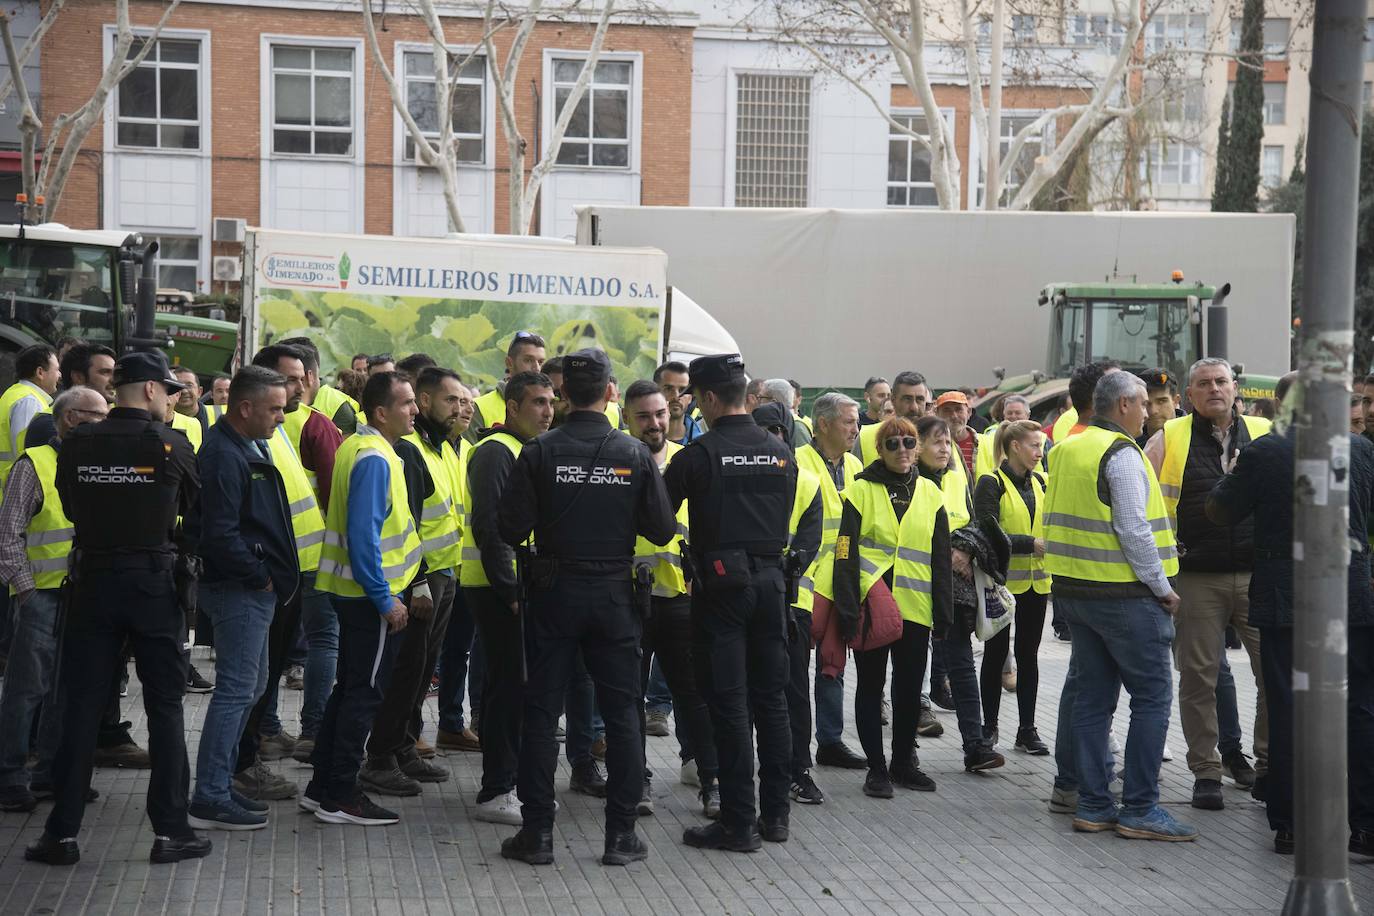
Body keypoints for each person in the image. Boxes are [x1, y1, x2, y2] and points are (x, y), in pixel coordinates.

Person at [25, 352, 207, 866]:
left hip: (93, 583)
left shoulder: (77, 442)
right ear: (149, 390)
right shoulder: (172, 444)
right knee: (165, 707)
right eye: (168, 391)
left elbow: (71, 503)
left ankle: (61, 835)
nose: (171, 400)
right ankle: (171, 831)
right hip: (153, 585)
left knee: (81, 707)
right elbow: (194, 512)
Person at [497, 350, 677, 867]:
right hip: (615, 597)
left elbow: (509, 527)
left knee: (540, 714)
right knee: (622, 716)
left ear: (563, 395)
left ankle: (537, 834)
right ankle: (620, 835)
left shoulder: (539, 450)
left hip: (553, 594)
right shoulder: (634, 453)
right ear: (610, 393)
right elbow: (662, 529)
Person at [1207, 371, 1374, 855]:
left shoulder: (1266, 451)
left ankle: (1292, 825)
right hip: (1349, 597)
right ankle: (1365, 826)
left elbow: (1219, 512)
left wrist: (1232, 472)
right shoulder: (1360, 450)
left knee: (1289, 707)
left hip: (1288, 600)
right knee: (1359, 707)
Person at [1044, 370, 1195, 842]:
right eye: (1144, 403)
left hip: (1076, 594)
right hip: (1126, 597)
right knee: (1151, 698)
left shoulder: (1068, 448)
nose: (1149, 412)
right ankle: (1140, 808)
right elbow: (1133, 530)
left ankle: (1093, 804)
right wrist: (1162, 587)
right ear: (1124, 404)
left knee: (1091, 700)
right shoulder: (1122, 453)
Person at [661, 354, 795, 852]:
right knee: (772, 701)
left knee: (730, 704)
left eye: (698, 398)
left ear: (712, 399)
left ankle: (738, 822)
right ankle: (776, 816)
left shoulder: (697, 456)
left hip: (720, 590)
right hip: (773, 585)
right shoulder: (781, 453)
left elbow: (658, 519)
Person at [1144, 357, 1269, 810]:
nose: (1214, 389)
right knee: (1199, 677)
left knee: (1272, 672)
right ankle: (1206, 771)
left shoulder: (1264, 432)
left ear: (1235, 388)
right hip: (1196, 576)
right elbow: (1147, 506)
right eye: (1204, 383)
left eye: (1221, 381)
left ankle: (1269, 765)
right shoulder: (1169, 437)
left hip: (1258, 575)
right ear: (1189, 395)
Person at [186, 366, 298, 831]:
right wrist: (260, 577)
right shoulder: (223, 454)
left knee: (251, 686)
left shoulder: (242, 445)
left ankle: (221, 782)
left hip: (249, 589)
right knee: (236, 690)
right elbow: (220, 534)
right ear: (245, 408)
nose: (282, 417)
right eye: (275, 409)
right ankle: (210, 795)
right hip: (238, 590)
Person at [308, 371, 422, 826]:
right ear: (381, 412)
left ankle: (322, 788)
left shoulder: (359, 445)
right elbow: (363, 537)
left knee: (350, 689)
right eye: (407, 403)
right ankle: (342, 795)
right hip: (370, 598)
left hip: (355, 594)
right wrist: (385, 599)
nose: (415, 410)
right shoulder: (374, 457)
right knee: (364, 696)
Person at [232, 345, 339, 798]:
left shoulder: (277, 430)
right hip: (275, 572)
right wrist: (262, 574)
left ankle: (259, 742)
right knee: (253, 677)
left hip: (296, 567)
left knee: (269, 668)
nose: (299, 389)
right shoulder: (252, 437)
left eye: (301, 379)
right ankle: (243, 762)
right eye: (289, 381)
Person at [0, 387, 108, 813]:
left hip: (85, 595)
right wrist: (26, 590)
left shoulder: (99, 462)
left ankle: (51, 773)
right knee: (27, 690)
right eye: (98, 415)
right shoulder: (34, 464)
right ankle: (8, 776)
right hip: (42, 596)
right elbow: (8, 535)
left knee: (68, 689)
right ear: (70, 418)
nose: (105, 423)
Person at [361, 367, 468, 796]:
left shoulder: (443, 447)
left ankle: (403, 746)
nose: (459, 408)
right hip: (421, 581)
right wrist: (420, 582)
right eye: (449, 400)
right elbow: (410, 523)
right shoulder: (410, 450)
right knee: (405, 672)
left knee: (422, 671)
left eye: (461, 400)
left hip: (446, 571)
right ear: (424, 402)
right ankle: (381, 757)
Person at [834, 415, 950, 797]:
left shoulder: (932, 493)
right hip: (871, 607)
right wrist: (847, 608)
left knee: (909, 690)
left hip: (916, 607)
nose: (902, 449)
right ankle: (877, 769)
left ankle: (903, 764)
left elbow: (941, 557)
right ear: (879, 450)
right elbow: (845, 553)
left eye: (909, 442)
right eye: (892, 443)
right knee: (871, 687)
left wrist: (944, 613)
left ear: (918, 448)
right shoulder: (860, 490)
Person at [623, 379, 720, 816]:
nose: (654, 423)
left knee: (694, 693)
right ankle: (635, 780)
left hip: (682, 595)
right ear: (627, 418)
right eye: (643, 416)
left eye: (660, 414)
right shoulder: (617, 460)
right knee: (629, 696)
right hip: (628, 596)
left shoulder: (689, 460)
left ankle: (708, 777)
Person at [460, 370, 553, 825]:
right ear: (512, 407)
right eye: (537, 402)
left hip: (517, 587)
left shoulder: (523, 448)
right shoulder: (497, 451)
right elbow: (490, 526)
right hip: (498, 588)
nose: (548, 411)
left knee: (516, 687)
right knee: (507, 689)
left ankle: (512, 782)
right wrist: (510, 590)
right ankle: (496, 789)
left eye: (551, 402)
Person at [751, 402, 824, 806]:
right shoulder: (741, 475)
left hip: (793, 602)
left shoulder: (808, 482)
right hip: (747, 597)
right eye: (765, 430)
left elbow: (807, 547)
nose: (773, 438)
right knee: (741, 690)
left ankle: (799, 770)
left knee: (794, 690)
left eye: (779, 431)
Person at [800, 393, 868, 773]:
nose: (855, 429)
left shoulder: (855, 465)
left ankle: (830, 741)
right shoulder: (799, 461)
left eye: (856, 422)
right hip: (805, 580)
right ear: (823, 424)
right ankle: (795, 744)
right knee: (795, 666)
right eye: (848, 422)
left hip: (839, 582)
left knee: (832, 663)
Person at [974, 420, 1051, 755]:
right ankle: (989, 726)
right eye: (1034, 446)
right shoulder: (991, 483)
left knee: (1028, 656)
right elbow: (987, 530)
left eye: (1041, 446)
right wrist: (1029, 543)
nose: (1040, 452)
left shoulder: (1042, 481)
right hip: (1000, 583)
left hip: (1037, 582)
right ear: (1015, 446)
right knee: (995, 655)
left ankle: (1027, 729)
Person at [436, 382, 483, 753]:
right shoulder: (424, 449)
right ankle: (408, 732)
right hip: (435, 570)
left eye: (468, 403)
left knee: (458, 650)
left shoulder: (471, 451)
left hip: (465, 569)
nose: (465, 409)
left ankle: (451, 724)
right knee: (425, 656)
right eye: (456, 401)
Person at [468, 332, 547, 441]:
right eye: (528, 360)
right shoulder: (479, 407)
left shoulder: (547, 407)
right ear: (509, 363)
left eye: (541, 362)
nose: (537, 368)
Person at [0, 344, 60, 485]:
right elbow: (27, 453)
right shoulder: (29, 401)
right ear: (40, 372)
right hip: (16, 488)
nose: (60, 375)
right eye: (57, 369)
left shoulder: (16, 394)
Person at [855, 371, 930, 465]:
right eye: (907, 399)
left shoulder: (940, 438)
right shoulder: (866, 437)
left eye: (920, 399)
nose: (914, 407)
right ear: (893, 401)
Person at [654, 361, 703, 445]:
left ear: (691, 397)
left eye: (683, 390)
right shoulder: (637, 441)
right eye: (668, 389)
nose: (676, 396)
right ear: (654, 392)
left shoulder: (703, 445)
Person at [758, 378, 812, 449]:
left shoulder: (797, 427)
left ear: (774, 402)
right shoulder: (781, 423)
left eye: (761, 397)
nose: (758, 401)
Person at [1137, 368, 1182, 448]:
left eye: (1161, 401)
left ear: (1175, 401)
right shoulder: (1130, 444)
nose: (1153, 411)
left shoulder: (1195, 437)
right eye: (1146, 403)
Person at [171, 366, 209, 433]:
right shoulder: (161, 419)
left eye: (189, 385)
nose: (184, 391)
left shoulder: (216, 417)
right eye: (178, 386)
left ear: (199, 392)